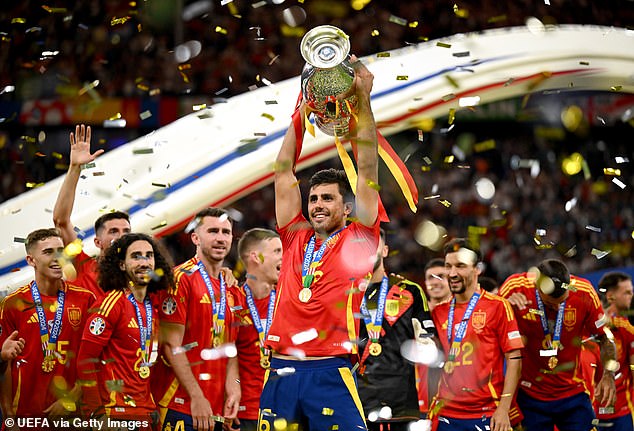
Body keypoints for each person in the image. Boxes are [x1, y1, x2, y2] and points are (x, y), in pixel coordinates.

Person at [259, 56, 381, 430]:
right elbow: (283, 171)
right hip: (281, 368)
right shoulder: (295, 235)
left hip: (331, 369)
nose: (317, 205)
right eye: (313, 199)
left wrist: (362, 99)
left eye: (327, 199)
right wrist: (302, 103)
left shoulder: (360, 236)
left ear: (347, 207)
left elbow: (369, 165)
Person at [499, 258, 617, 431]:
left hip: (572, 392)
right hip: (530, 395)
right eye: (549, 304)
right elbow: (487, 323)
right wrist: (503, 306)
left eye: (562, 302)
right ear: (536, 286)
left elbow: (605, 337)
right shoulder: (516, 287)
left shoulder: (584, 292)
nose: (556, 308)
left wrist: (608, 374)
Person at [153, 207, 240, 431]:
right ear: (195, 237)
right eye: (212, 231)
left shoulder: (231, 288)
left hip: (216, 409)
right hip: (182, 402)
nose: (220, 238)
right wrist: (197, 396)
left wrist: (234, 388)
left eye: (226, 232)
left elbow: (229, 346)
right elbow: (171, 345)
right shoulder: (180, 279)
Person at [77, 232, 174, 425]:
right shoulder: (112, 303)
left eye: (149, 255)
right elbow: (85, 361)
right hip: (116, 413)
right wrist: (97, 415)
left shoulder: (152, 306)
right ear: (121, 265)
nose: (144, 262)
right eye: (135, 256)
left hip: (147, 411)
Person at [0, 228, 97, 417]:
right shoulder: (13, 304)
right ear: (31, 260)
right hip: (26, 416)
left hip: (74, 415)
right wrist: (9, 416)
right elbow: (5, 366)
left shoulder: (86, 300)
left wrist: (73, 396)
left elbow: (97, 358)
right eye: (48, 252)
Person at [429, 238, 524, 431]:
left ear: (477, 269)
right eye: (448, 266)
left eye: (460, 266)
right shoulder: (438, 312)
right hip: (446, 413)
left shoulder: (497, 306)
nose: (452, 273)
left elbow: (515, 359)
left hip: (486, 412)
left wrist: (504, 409)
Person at [357, 229, 437, 430]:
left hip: (400, 403)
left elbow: (427, 342)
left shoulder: (408, 290)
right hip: (356, 402)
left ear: (384, 250)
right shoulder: (344, 295)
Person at [53, 123, 131, 296]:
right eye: (113, 231)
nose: (121, 236)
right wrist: (74, 168)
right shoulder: (83, 267)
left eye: (126, 231)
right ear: (97, 242)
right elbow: (61, 221)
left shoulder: (140, 278)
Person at [229, 228, 282, 431]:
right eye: (277, 251)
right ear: (256, 257)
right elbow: (226, 357)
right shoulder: (233, 302)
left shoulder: (287, 301)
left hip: (284, 411)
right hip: (243, 414)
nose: (284, 257)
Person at [594, 272, 634, 430]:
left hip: (622, 410)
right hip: (592, 410)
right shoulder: (583, 329)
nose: (631, 296)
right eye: (627, 292)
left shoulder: (626, 327)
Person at [417, 258, 451, 418]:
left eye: (440, 276)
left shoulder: (462, 314)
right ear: (424, 282)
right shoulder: (414, 314)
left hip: (452, 397)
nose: (435, 282)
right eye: (431, 277)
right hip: (418, 396)